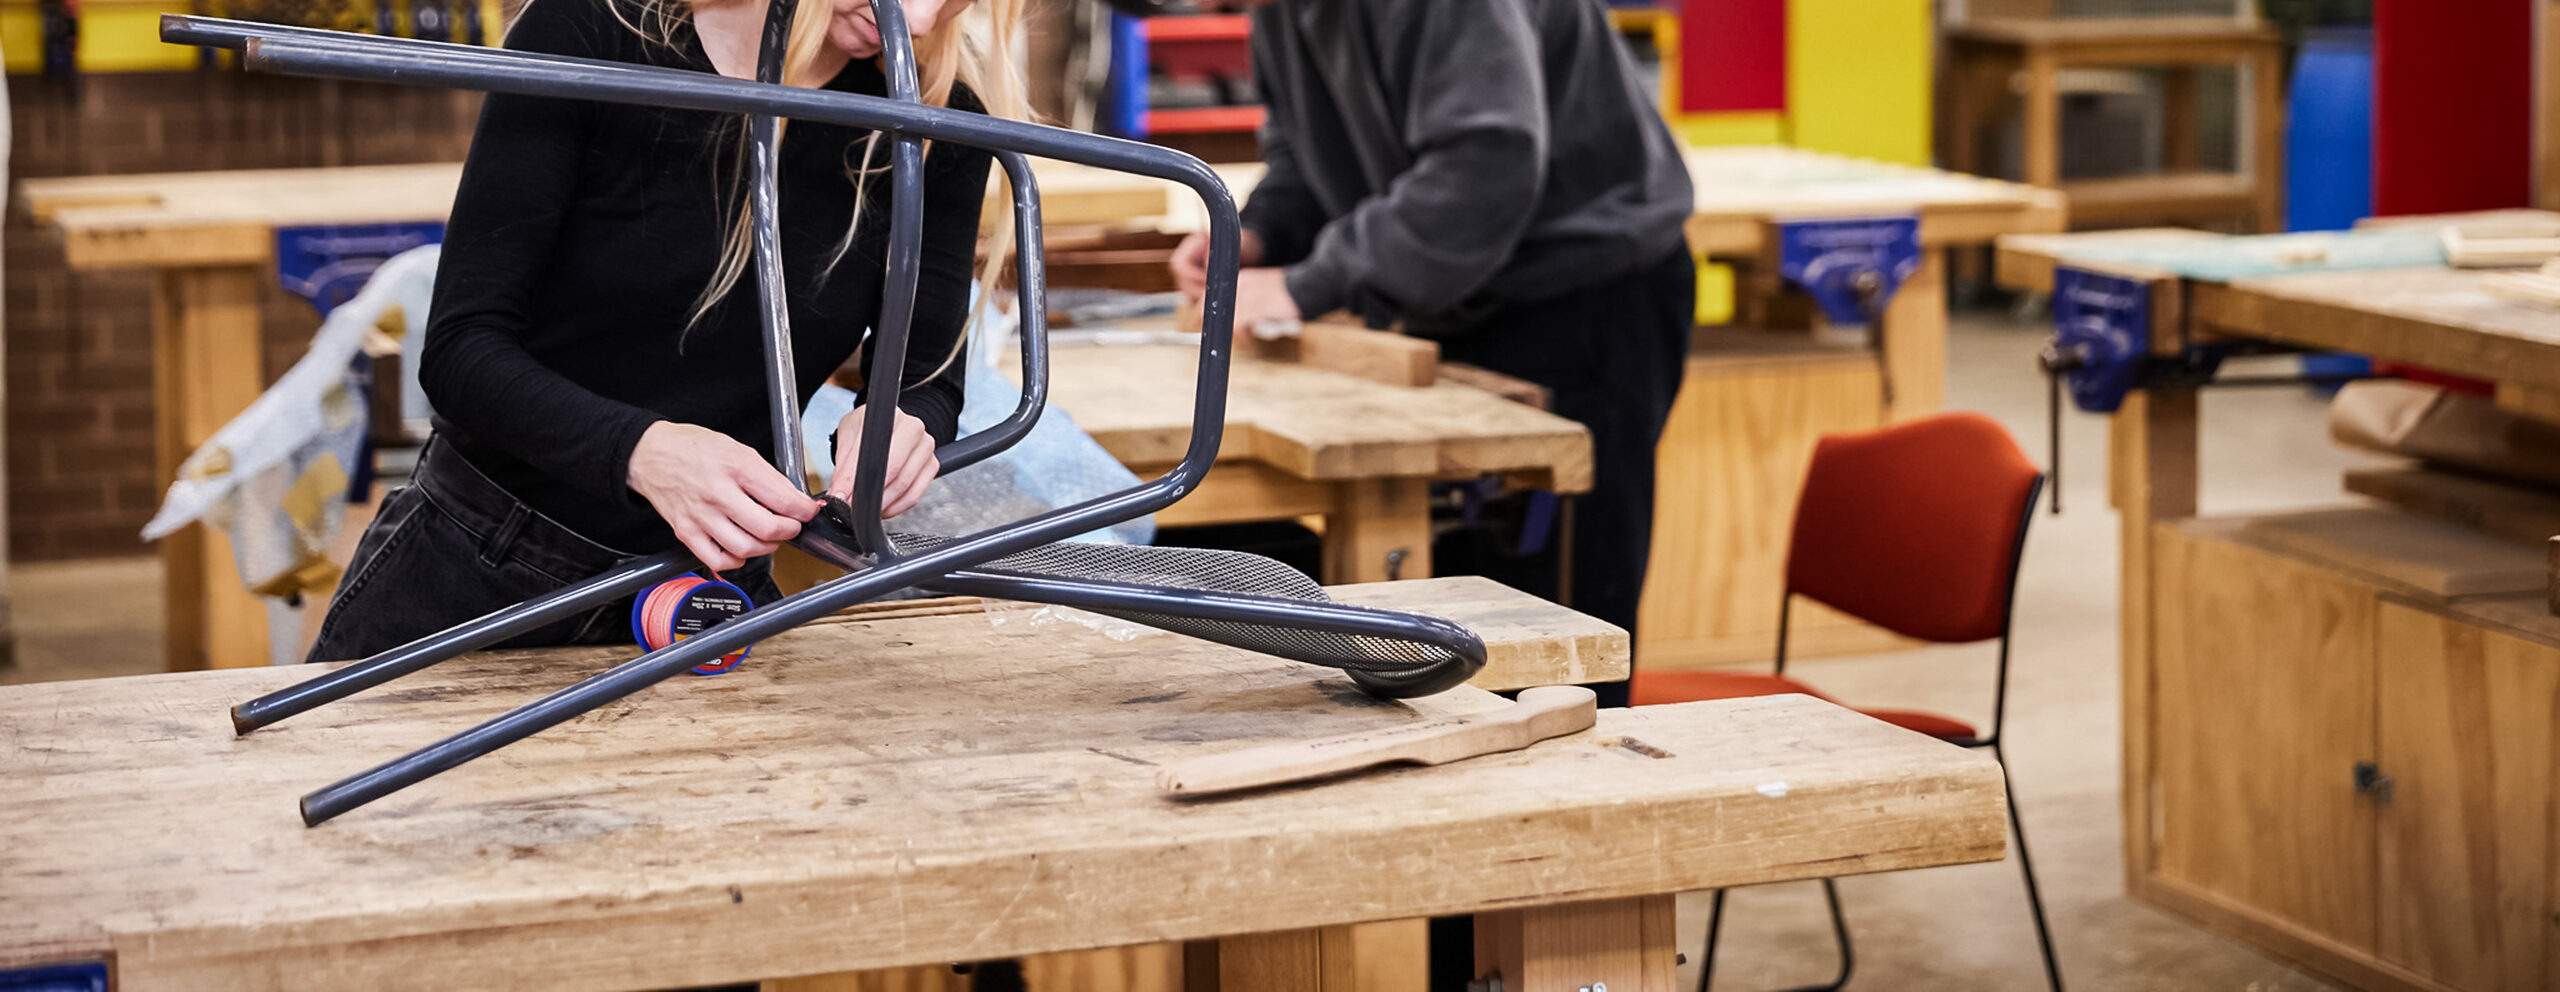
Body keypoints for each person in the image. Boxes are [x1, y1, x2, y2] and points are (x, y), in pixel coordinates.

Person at [307, 0, 1027, 662]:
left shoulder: (933, 125)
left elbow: (927, 374)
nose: (925, 16)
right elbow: (463, 354)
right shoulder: (590, 34)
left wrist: (898, 423)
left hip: (706, 593)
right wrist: (643, 453)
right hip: (479, 563)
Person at [1168, 0, 1696, 709]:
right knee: (1468, 633)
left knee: (1560, 642)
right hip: (1474, 290)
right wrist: (1259, 236)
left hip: (1585, 291)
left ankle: (1580, 807)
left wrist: (1308, 285)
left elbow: (1487, 162)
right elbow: (1307, 153)